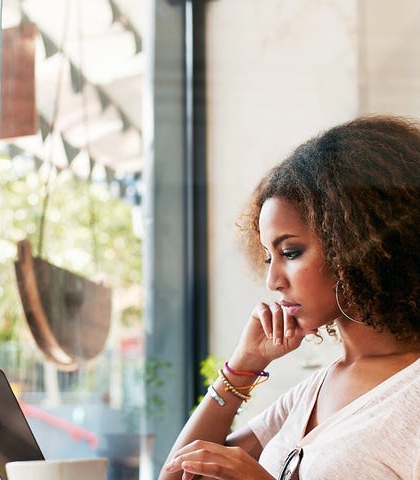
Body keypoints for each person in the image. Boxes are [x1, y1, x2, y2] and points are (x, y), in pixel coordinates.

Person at [159, 115, 420, 480]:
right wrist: (243, 366)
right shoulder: (312, 393)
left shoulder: (410, 392)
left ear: (356, 245)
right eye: (269, 256)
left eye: (291, 252)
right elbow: (177, 475)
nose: (272, 280)